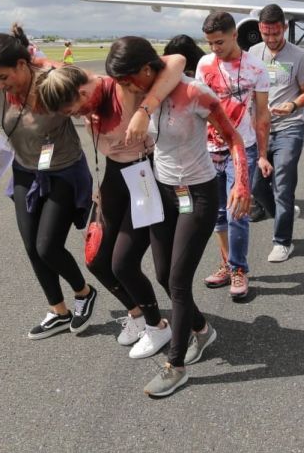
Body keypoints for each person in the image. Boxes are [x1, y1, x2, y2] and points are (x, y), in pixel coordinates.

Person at [105, 36, 250, 397]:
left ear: (144, 69)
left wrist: (242, 184)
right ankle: (202, 330)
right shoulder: (145, 94)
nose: (127, 90)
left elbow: (233, 139)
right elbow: (168, 64)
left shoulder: (195, 93)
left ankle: (176, 366)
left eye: (128, 81)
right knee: (162, 274)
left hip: (197, 193)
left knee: (179, 282)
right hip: (164, 191)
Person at [36, 55, 187, 358]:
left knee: (124, 263)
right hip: (114, 178)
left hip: (147, 178)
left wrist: (145, 110)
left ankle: (159, 327)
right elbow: (43, 63)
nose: (79, 115)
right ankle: (138, 314)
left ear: (82, 93)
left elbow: (177, 60)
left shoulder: (122, 86)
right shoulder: (79, 91)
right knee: (96, 259)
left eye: (76, 109)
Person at [0, 24, 98, 340]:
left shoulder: (51, 82)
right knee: (31, 246)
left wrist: (48, 66)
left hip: (62, 169)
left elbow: (89, 84)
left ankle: (84, 292)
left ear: (22, 65)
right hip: (25, 170)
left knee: (47, 246)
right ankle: (58, 311)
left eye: (3, 77)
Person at [195, 11, 272, 300]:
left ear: (234, 35)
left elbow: (263, 114)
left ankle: (239, 269)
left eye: (220, 42)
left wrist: (263, 154)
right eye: (210, 43)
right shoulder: (204, 64)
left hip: (243, 149)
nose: (215, 48)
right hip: (209, 149)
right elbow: (200, 107)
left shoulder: (256, 68)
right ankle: (227, 263)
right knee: (217, 214)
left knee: (237, 211)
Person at [247, 4, 304, 263]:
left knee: (283, 184)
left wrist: (294, 104)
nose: (271, 39)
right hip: (259, 129)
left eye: (276, 34)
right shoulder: (253, 54)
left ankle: (282, 242)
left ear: (284, 28)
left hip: (289, 128)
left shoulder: (298, 56)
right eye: (266, 34)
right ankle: (283, 213)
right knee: (256, 185)